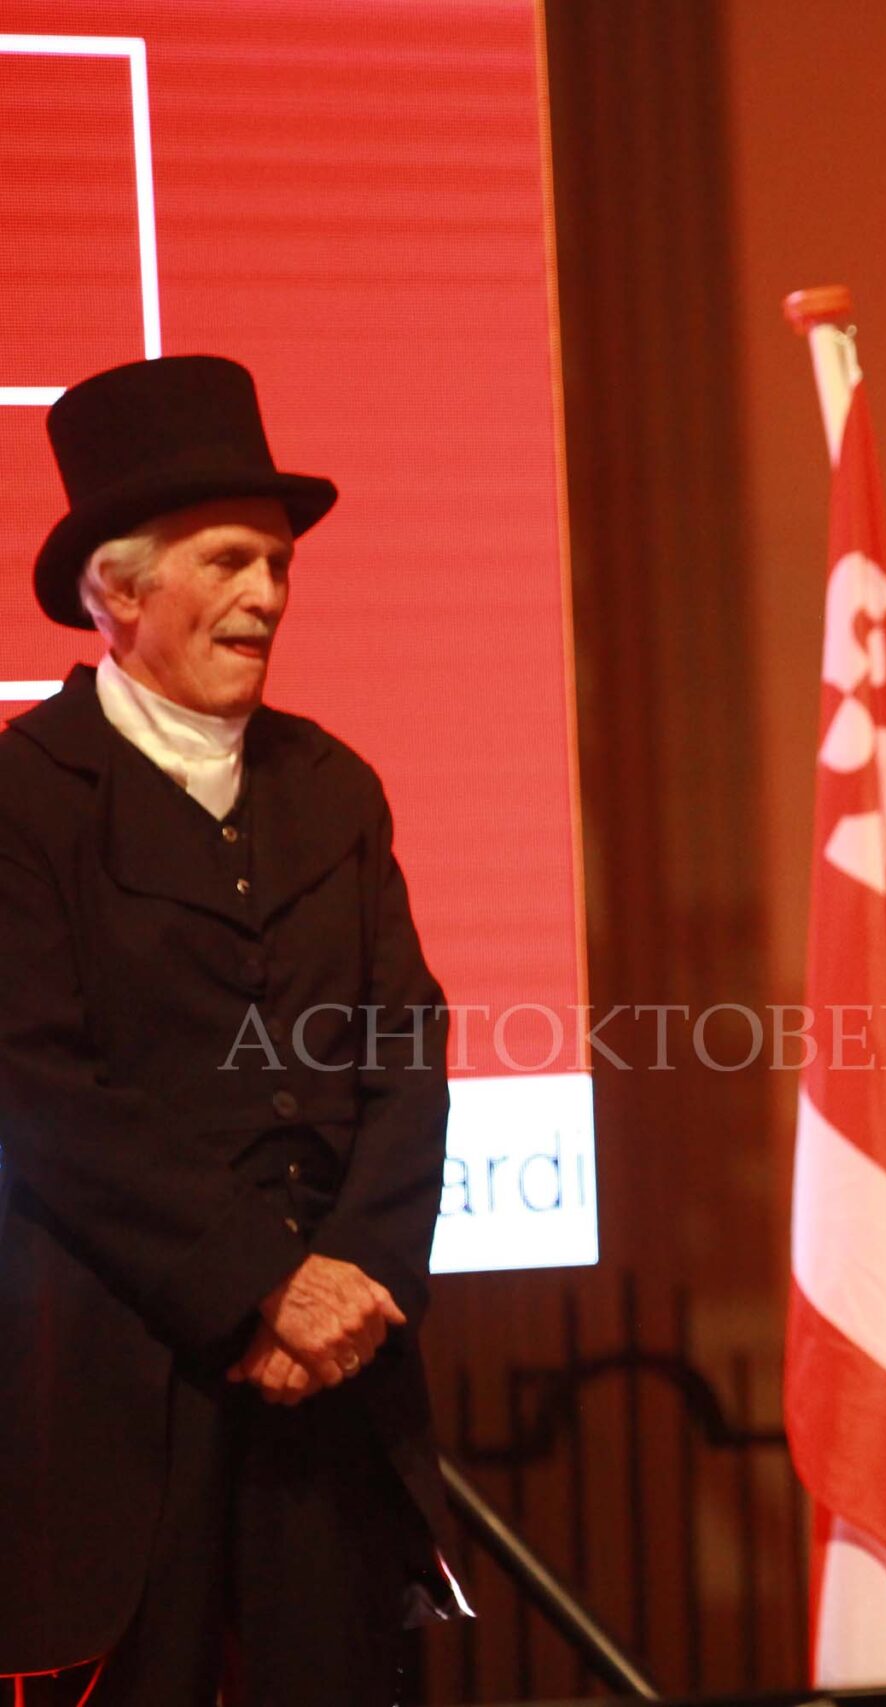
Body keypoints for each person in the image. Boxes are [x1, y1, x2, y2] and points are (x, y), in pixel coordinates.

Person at [0, 356, 457, 1704]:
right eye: (229, 562)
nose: (268, 595)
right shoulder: (26, 798)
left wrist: (354, 1277)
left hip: (334, 1397)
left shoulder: (335, 787)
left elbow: (407, 1046)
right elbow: (38, 1087)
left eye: (278, 564)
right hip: (125, 1396)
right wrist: (261, 1283)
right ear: (118, 592)